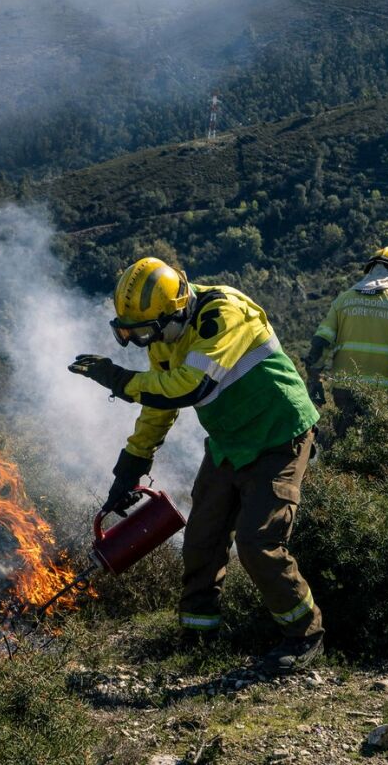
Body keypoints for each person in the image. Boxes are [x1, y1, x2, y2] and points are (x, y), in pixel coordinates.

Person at [69, 257, 324, 673]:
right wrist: (129, 468)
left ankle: (305, 636)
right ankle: (198, 635)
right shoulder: (164, 335)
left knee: (259, 543)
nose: (141, 343)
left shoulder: (223, 313)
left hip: (278, 435)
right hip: (229, 442)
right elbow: (157, 406)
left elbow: (189, 386)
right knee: (202, 539)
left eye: (145, 333)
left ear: (175, 309)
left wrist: (118, 378)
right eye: (130, 334)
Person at [305, 247, 388, 439]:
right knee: (381, 450)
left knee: (345, 447)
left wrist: (314, 381)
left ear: (369, 270)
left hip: (345, 391)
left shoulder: (342, 301)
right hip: (385, 394)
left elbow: (320, 344)